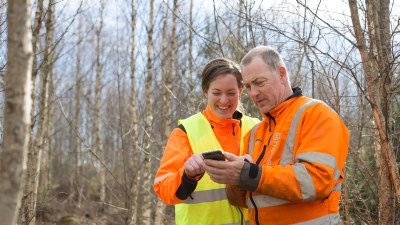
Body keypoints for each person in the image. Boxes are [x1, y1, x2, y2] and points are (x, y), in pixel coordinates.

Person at [204, 46, 349, 225]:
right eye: (248, 86)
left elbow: (317, 181)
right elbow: (243, 201)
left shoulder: (317, 115)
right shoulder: (254, 133)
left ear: (281, 74)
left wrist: (251, 173)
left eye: (259, 82)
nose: (253, 93)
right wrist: (233, 177)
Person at [153, 58, 260, 225]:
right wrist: (187, 175)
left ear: (240, 91)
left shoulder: (257, 129)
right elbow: (163, 188)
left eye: (231, 93)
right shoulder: (186, 132)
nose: (224, 101)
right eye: (216, 93)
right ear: (205, 92)